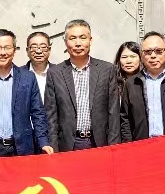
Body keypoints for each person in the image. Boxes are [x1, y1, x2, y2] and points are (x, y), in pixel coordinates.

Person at [0, 29, 53, 158]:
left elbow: (37, 113)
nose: (2, 52)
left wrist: (43, 142)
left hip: (20, 148)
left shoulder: (28, 78)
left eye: (7, 47)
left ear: (14, 50)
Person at [45, 20, 121, 150]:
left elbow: (113, 113)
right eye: (72, 38)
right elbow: (51, 116)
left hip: (99, 143)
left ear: (90, 40)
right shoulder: (55, 73)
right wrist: (53, 147)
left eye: (82, 37)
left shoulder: (107, 70)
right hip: (68, 145)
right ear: (65, 42)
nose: (78, 43)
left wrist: (113, 147)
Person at [26, 31, 52, 99]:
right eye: (34, 47)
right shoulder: (18, 74)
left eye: (43, 47)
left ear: (49, 50)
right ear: (27, 51)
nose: (38, 51)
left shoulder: (59, 73)